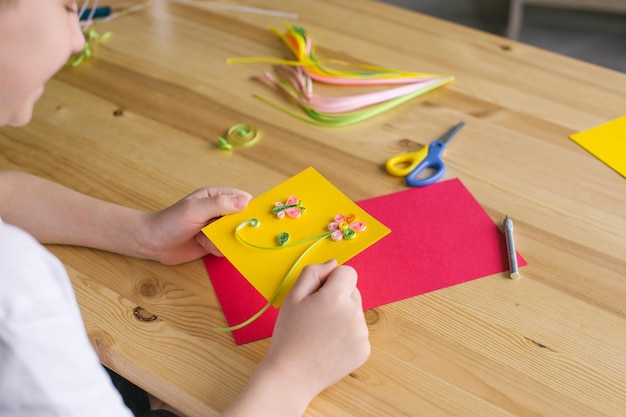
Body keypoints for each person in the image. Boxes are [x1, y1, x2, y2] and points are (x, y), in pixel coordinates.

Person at [0, 1, 371, 417]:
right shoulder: (14, 292)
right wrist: (293, 375)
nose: (77, 39)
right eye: (68, 7)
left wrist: (143, 235)